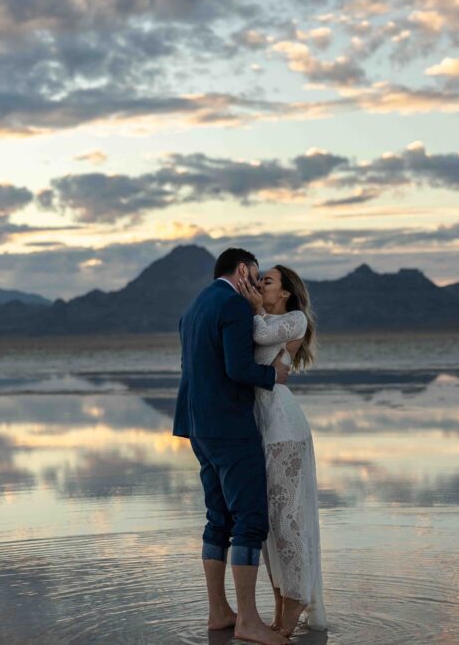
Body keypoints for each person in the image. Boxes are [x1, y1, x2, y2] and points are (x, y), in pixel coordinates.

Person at [173, 248, 293, 645]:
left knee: (217, 519)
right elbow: (237, 368)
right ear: (242, 269)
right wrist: (273, 374)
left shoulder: (194, 307)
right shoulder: (234, 305)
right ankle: (248, 621)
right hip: (229, 426)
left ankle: (219, 612)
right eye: (255, 276)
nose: (257, 284)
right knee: (249, 520)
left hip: (197, 426)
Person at [235, 265, 327, 637]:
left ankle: (298, 598)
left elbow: (260, 332)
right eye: (258, 282)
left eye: (267, 281)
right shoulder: (263, 316)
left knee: (289, 521)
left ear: (286, 292)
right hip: (262, 427)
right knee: (270, 524)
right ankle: (280, 606)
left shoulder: (295, 319)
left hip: (285, 429)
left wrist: (254, 307)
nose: (259, 286)